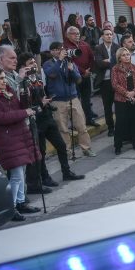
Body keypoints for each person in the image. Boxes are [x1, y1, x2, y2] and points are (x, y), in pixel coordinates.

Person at [0, 66, 40, 221]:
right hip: (6, 137)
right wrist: (24, 113)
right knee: (16, 174)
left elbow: (20, 105)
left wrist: (26, 93)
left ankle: (21, 202)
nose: (4, 81)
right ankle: (10, 207)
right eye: (1, 78)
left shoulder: (7, 90)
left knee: (22, 171)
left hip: (19, 133)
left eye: (4, 78)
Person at [17, 53, 83, 194]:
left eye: (34, 61)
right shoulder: (22, 81)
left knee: (61, 145)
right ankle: (44, 177)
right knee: (40, 151)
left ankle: (66, 172)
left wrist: (45, 101)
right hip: (36, 119)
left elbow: (42, 93)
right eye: (31, 62)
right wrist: (41, 102)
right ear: (23, 66)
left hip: (46, 116)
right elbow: (25, 102)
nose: (34, 64)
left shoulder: (38, 78)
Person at [42, 42, 96, 157]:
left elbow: (78, 80)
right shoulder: (47, 64)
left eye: (61, 49)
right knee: (63, 129)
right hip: (58, 100)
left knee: (81, 126)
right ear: (51, 51)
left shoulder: (69, 62)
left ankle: (86, 148)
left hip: (73, 98)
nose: (60, 51)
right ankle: (67, 152)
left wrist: (72, 70)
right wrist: (60, 61)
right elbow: (52, 74)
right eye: (56, 49)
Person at [63, 25, 98, 126]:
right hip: (74, 78)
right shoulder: (65, 47)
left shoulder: (84, 44)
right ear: (68, 35)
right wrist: (83, 72)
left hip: (87, 76)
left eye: (78, 33)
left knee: (86, 99)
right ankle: (78, 123)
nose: (77, 35)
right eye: (74, 33)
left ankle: (89, 119)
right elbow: (70, 63)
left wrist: (89, 70)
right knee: (75, 101)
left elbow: (92, 58)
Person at [111, 47, 135, 154]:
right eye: (124, 55)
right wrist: (126, 94)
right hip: (121, 99)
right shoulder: (115, 69)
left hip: (134, 98)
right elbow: (115, 84)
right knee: (120, 122)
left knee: (133, 120)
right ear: (119, 58)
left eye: (128, 54)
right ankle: (118, 146)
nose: (126, 56)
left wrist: (133, 92)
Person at [93, 27, 119, 136]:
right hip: (105, 82)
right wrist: (111, 61)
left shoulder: (117, 47)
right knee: (107, 107)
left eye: (111, 34)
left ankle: (119, 126)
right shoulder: (98, 48)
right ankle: (111, 128)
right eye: (107, 34)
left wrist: (108, 61)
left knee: (118, 105)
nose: (109, 36)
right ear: (102, 37)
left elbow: (119, 62)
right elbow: (99, 63)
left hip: (116, 81)